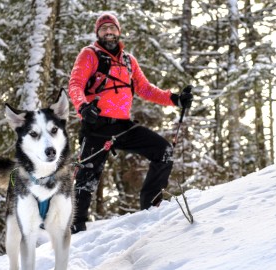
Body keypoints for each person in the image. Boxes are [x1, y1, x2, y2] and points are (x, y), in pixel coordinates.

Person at [68, 12, 193, 234]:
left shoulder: (128, 60)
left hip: (123, 125)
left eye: (112, 28)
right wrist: (83, 107)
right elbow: (75, 84)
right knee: (87, 178)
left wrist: (175, 99)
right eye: (104, 28)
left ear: (119, 31)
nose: (108, 32)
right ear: (98, 33)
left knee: (164, 151)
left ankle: (151, 207)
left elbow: (145, 89)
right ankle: (76, 230)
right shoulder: (89, 55)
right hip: (96, 125)